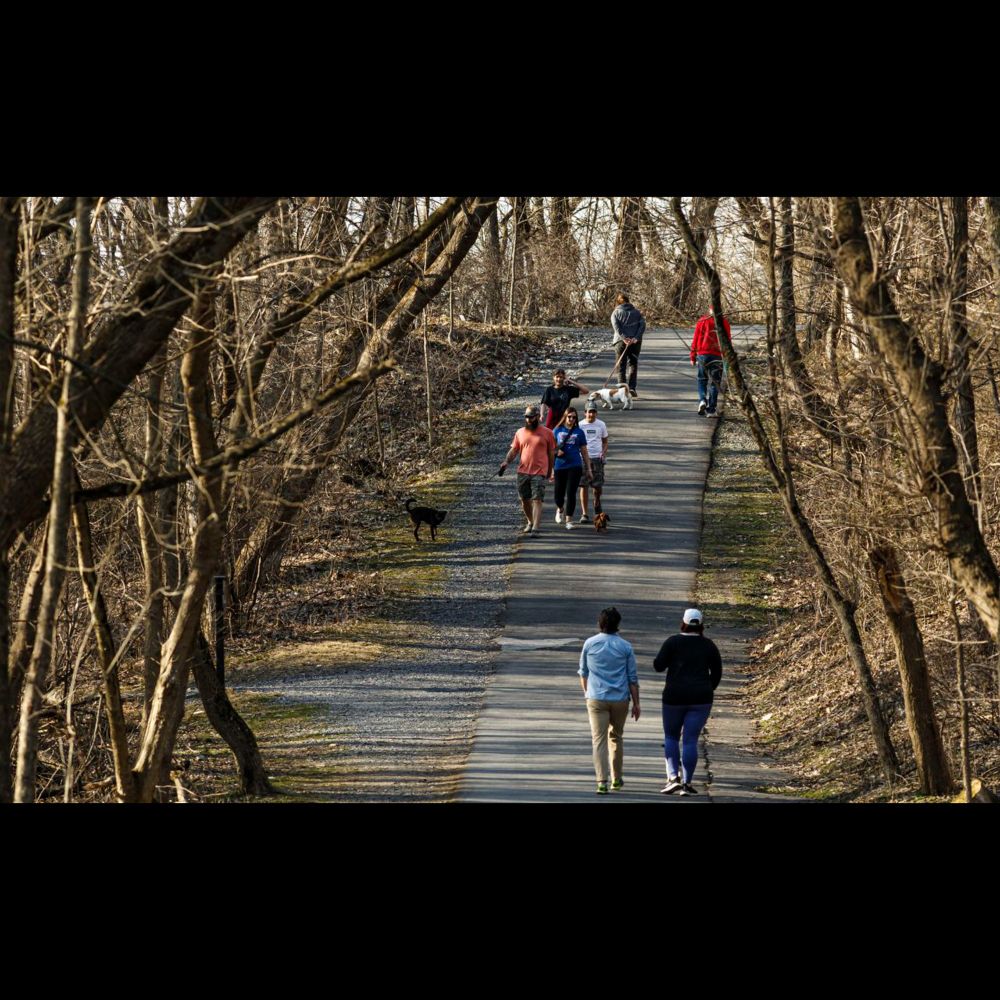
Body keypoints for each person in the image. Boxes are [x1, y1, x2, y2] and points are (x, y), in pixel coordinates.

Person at [653, 608, 722, 796]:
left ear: (682, 622)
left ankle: (672, 778)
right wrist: (708, 689)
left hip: (674, 697)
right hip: (701, 698)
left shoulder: (672, 642)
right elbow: (717, 672)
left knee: (671, 737)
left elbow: (658, 666)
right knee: (691, 739)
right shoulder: (709, 645)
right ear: (701, 625)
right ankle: (686, 782)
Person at [579, 607, 640, 794]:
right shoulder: (625, 647)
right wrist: (637, 703)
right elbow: (632, 678)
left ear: (600, 623)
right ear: (618, 625)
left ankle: (601, 782)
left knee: (598, 740)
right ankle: (616, 779)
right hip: (620, 699)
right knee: (616, 737)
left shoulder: (590, 644)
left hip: (596, 698)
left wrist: (587, 692)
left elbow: (583, 673)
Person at [499, 404, 555, 537]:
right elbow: (514, 449)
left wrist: (551, 469)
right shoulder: (520, 432)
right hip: (523, 471)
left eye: (531, 417)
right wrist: (506, 461)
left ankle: (536, 527)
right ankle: (530, 522)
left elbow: (551, 453)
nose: (528, 420)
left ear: (537, 417)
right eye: (526, 417)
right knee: (524, 499)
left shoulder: (548, 433)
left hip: (540, 471)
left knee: (537, 499)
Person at [552, 407, 592, 529]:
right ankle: (560, 508)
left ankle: (569, 520)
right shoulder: (557, 430)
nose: (571, 419)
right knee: (558, 495)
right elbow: (550, 448)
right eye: (569, 416)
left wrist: (588, 468)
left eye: (574, 417)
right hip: (560, 465)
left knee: (571, 493)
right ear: (565, 416)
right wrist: (555, 453)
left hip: (575, 465)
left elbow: (584, 451)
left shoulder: (579, 432)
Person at [690, 306, 732, 417]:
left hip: (703, 354)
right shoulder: (724, 323)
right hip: (717, 356)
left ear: (709, 310)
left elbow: (696, 339)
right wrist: (727, 357)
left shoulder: (702, 321)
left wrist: (693, 356)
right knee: (715, 382)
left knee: (702, 379)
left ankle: (702, 400)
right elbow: (727, 340)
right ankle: (711, 409)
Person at [578, 400, 608, 522]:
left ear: (596, 413)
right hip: (583, 459)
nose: (591, 414)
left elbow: (605, 441)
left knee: (597, 487)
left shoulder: (601, 425)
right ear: (585, 413)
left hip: (597, 459)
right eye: (589, 412)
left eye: (594, 412)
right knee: (583, 485)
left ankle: (596, 500)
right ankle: (584, 514)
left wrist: (603, 453)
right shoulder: (580, 425)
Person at [610, 292, 646, 396]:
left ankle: (622, 390)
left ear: (617, 302)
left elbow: (616, 327)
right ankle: (632, 388)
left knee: (621, 366)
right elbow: (642, 326)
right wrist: (636, 338)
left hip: (620, 342)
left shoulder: (615, 312)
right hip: (635, 343)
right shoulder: (637, 313)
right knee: (633, 364)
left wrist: (624, 337)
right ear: (628, 301)